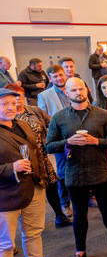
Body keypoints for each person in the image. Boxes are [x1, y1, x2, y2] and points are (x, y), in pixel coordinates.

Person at [45, 77, 107, 257]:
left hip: (100, 172)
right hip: (74, 173)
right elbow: (49, 146)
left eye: (81, 88)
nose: (78, 92)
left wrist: (96, 141)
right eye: (73, 90)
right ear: (66, 93)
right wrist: (68, 142)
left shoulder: (102, 114)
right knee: (79, 215)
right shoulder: (59, 117)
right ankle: (80, 251)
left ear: (86, 90)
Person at [0, 88, 67, 257]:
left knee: (34, 233)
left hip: (34, 186)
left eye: (13, 103)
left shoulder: (23, 124)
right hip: (5, 195)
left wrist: (42, 178)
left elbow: (37, 152)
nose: (11, 107)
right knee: (5, 244)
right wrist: (12, 167)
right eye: (4, 104)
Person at [8, 84, 72, 228]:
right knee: (28, 191)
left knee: (52, 186)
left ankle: (59, 217)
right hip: (23, 160)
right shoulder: (7, 117)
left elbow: (53, 124)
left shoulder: (34, 111)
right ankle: (27, 225)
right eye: (13, 97)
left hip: (42, 156)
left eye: (19, 96)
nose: (17, 100)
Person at [37, 65, 73, 218]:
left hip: (79, 136)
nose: (59, 78)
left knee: (82, 166)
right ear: (50, 79)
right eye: (55, 76)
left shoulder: (73, 88)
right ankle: (65, 203)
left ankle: (88, 196)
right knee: (63, 171)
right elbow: (42, 120)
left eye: (60, 75)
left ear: (64, 74)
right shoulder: (44, 96)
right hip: (59, 140)